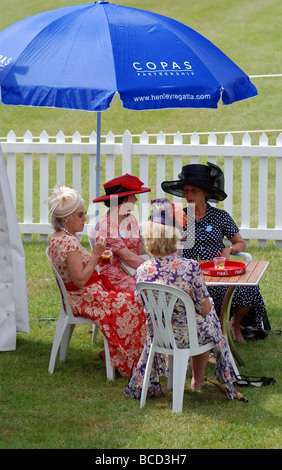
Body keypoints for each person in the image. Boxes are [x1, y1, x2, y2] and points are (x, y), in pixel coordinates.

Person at [125, 198, 239, 401]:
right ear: (176, 238)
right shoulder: (189, 267)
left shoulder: (142, 270)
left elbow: (140, 303)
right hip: (188, 336)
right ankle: (198, 379)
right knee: (208, 317)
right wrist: (208, 307)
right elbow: (204, 309)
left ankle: (185, 379)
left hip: (159, 335)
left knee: (201, 319)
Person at [45, 184, 147, 377]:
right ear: (66, 218)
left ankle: (120, 354)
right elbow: (80, 281)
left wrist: (97, 258)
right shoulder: (68, 243)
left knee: (132, 300)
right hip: (84, 298)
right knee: (136, 302)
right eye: (80, 215)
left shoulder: (62, 238)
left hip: (86, 295)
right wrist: (95, 255)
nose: (85, 219)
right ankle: (125, 358)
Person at [161, 162, 268, 342]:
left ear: (205, 193)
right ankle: (213, 327)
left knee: (250, 290)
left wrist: (229, 249)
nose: (189, 195)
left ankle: (234, 323)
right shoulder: (178, 217)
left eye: (193, 191)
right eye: (186, 191)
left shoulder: (220, 216)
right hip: (190, 274)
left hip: (219, 272)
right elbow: (164, 246)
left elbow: (240, 243)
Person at [92, 174, 151, 291]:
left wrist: (152, 265)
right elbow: (127, 257)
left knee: (162, 284)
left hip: (136, 269)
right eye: (133, 195)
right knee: (153, 288)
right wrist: (152, 269)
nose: (136, 199)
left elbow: (141, 249)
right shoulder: (106, 224)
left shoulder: (131, 218)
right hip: (117, 275)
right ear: (123, 199)